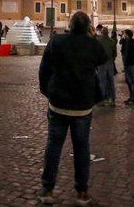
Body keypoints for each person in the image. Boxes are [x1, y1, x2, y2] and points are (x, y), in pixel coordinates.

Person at [37, 11, 106, 206]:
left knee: (53, 146)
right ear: (87, 28)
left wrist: (46, 90)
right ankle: (81, 192)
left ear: (70, 25)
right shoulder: (92, 44)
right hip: (83, 106)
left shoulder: (56, 41)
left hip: (58, 103)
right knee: (82, 148)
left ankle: (47, 189)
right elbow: (102, 58)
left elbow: (44, 69)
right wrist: (91, 37)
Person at [96, 26, 117, 106]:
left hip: (101, 64)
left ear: (101, 32)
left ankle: (102, 99)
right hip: (110, 64)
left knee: (102, 82)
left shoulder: (98, 41)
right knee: (111, 82)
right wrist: (112, 60)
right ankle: (112, 98)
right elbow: (115, 54)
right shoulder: (112, 41)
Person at [119, 28, 134, 106]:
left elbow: (131, 54)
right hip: (127, 64)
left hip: (130, 64)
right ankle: (131, 97)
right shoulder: (126, 41)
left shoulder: (132, 42)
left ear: (127, 35)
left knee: (132, 82)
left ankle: (133, 98)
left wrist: (126, 61)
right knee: (128, 81)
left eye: (125, 34)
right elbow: (120, 43)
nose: (124, 35)